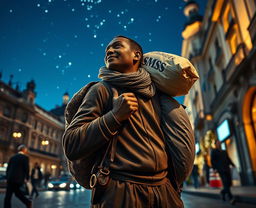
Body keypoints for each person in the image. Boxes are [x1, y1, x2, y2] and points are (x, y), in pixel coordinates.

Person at [63, 35, 189, 208]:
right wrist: (114, 116)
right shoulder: (101, 90)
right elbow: (71, 144)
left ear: (136, 55)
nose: (109, 51)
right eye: (107, 50)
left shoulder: (159, 96)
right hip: (120, 191)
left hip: (165, 191)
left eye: (116, 46)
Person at [211, 140, 236, 205]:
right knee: (225, 183)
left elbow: (228, 159)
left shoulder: (224, 151)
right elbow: (212, 161)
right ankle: (231, 198)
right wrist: (214, 168)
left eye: (220, 143)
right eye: (218, 143)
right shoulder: (214, 151)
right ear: (215, 144)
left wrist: (233, 164)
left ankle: (223, 192)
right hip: (221, 170)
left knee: (229, 183)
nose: (219, 144)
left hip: (227, 169)